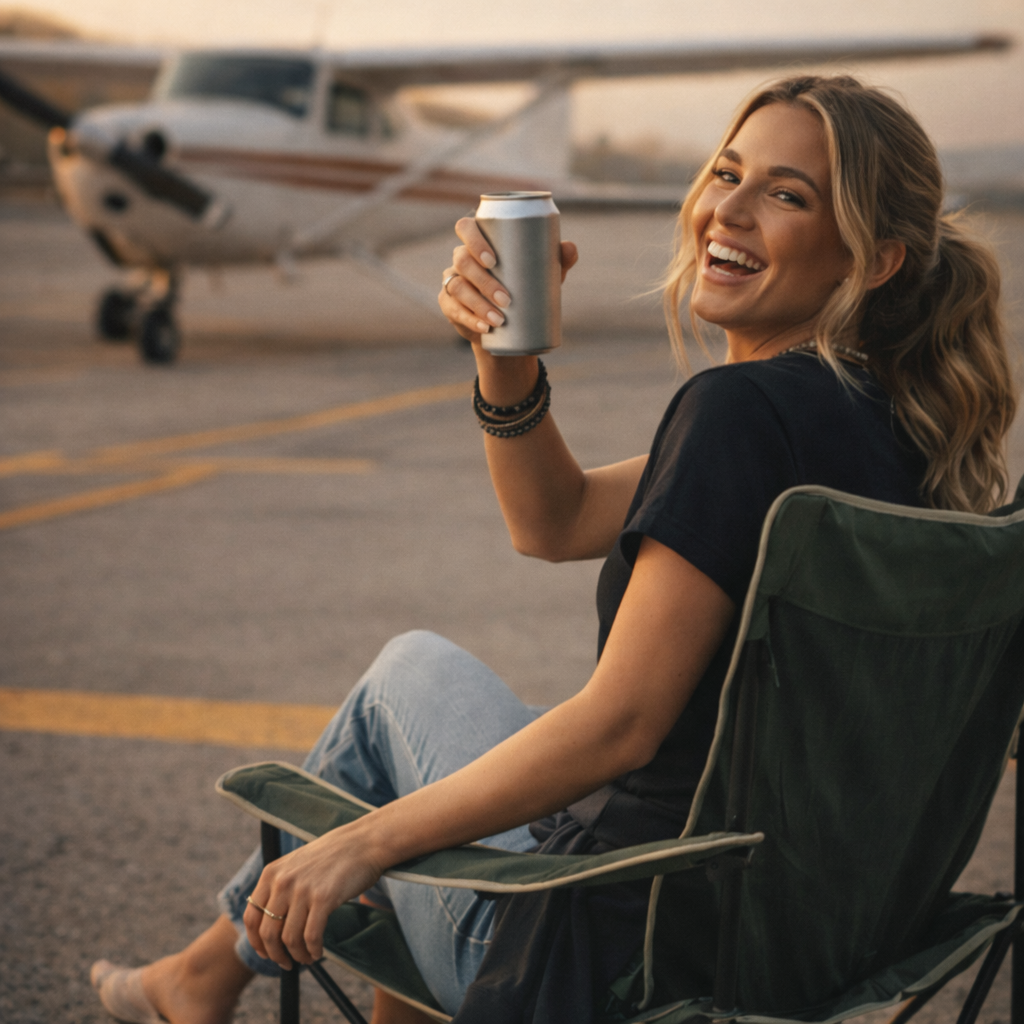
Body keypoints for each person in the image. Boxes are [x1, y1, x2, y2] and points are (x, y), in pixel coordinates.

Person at [91, 75, 1016, 1024]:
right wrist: (506, 356)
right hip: (805, 933)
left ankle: (203, 976)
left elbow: (623, 726)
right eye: (726, 173)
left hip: (619, 948)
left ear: (874, 261)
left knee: (403, 688)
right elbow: (558, 521)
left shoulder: (739, 416)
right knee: (439, 763)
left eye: (787, 195)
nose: (725, 210)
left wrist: (358, 847)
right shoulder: (895, 429)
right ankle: (201, 975)